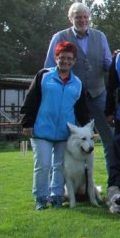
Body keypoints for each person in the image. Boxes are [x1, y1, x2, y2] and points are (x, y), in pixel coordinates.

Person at [45, 2, 114, 175]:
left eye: (85, 17)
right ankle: (60, 189)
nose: (82, 20)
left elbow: (108, 64)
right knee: (65, 141)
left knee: (110, 139)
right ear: (71, 18)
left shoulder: (100, 36)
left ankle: (114, 182)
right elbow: (48, 69)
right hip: (71, 97)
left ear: (89, 18)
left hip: (98, 94)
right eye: (78, 17)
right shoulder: (59, 37)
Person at [20, 42, 90, 209]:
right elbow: (31, 100)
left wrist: (87, 129)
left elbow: (81, 110)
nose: (65, 61)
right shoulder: (43, 75)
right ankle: (40, 198)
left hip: (65, 133)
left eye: (69, 59)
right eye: (62, 57)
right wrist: (27, 123)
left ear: (74, 61)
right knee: (43, 165)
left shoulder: (77, 83)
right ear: (56, 58)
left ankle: (57, 196)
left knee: (59, 166)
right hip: (41, 130)